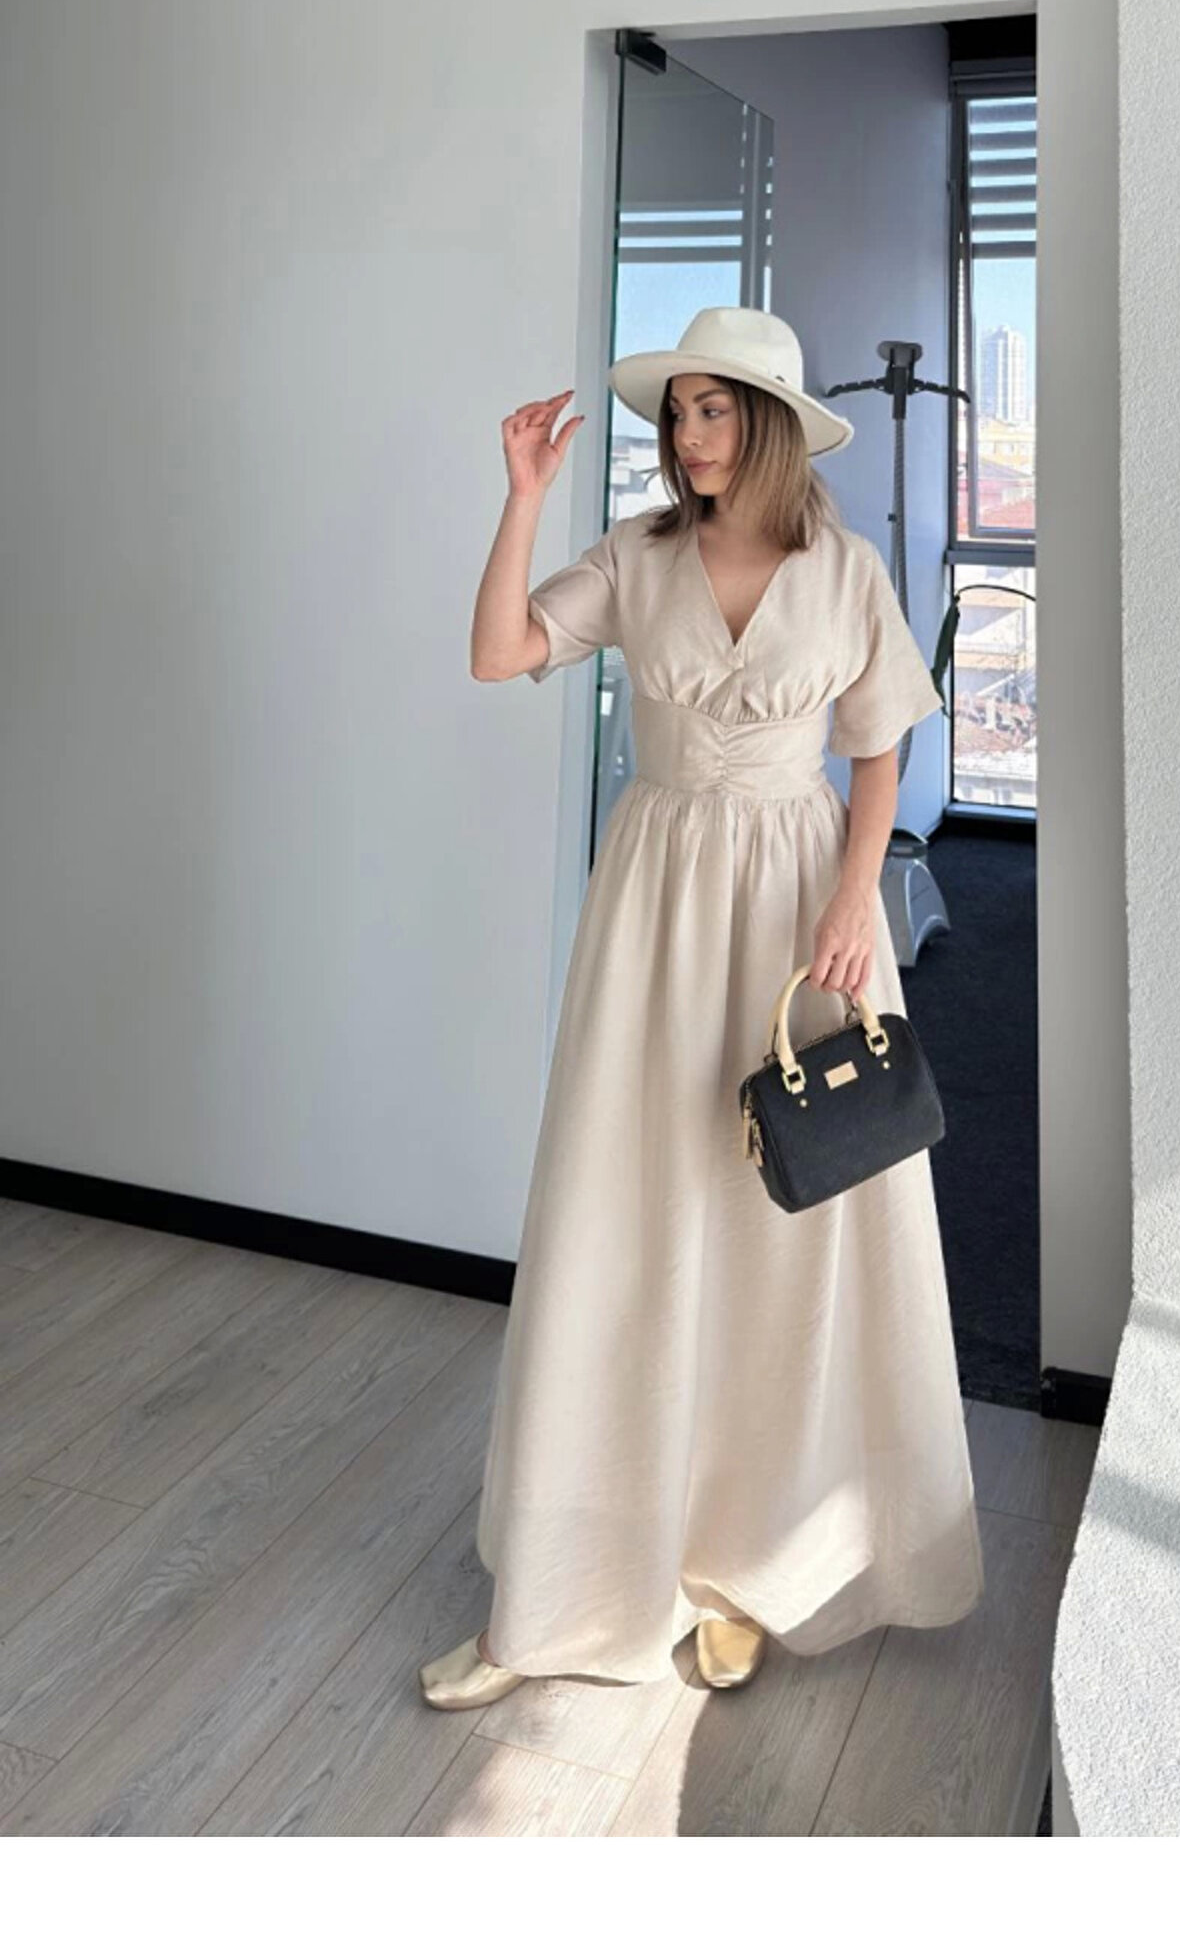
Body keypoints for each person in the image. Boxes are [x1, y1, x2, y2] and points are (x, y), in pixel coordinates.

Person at [419, 306, 984, 1710]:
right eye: (678, 411)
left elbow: (876, 752)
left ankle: (750, 1567)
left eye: (713, 408)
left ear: (769, 423)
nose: (688, 433)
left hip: (799, 895)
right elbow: (497, 653)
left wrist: (855, 903)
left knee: (781, 1224)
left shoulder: (844, 570)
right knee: (631, 1202)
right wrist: (523, 497)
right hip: (658, 898)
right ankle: (571, 1584)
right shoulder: (639, 555)